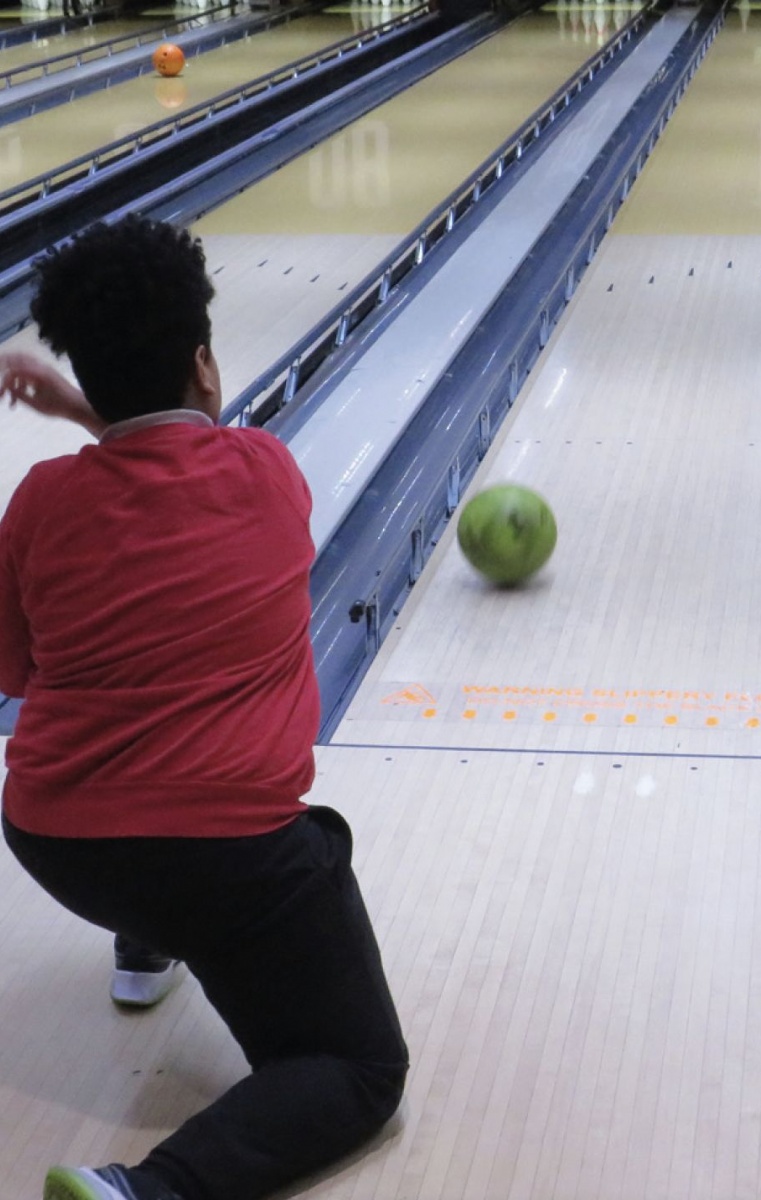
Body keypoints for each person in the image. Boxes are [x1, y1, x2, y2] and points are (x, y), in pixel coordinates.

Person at [0, 216, 408, 1200]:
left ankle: (145, 946)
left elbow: (16, 674)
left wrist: (87, 419)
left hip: (59, 840)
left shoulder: (40, 505)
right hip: (232, 864)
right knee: (359, 1070)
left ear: (88, 374)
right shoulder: (266, 473)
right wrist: (104, 415)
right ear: (206, 366)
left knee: (140, 748)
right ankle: (155, 1190)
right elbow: (181, 475)